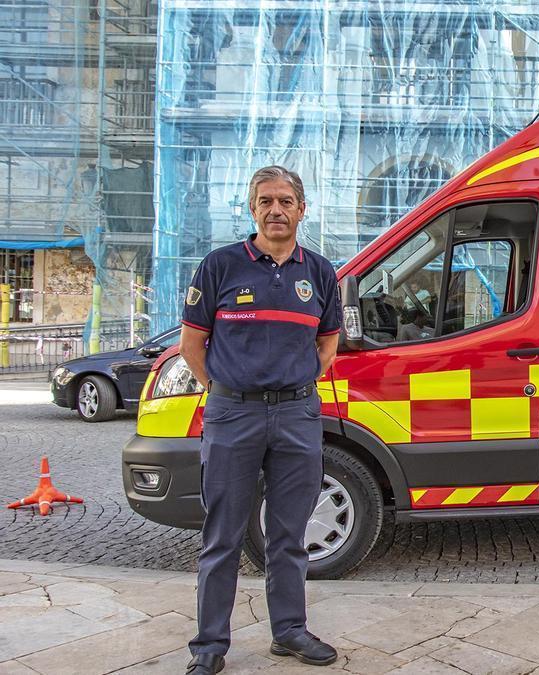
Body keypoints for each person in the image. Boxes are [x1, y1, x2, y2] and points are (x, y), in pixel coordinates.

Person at [179, 165, 342, 675]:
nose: (277, 210)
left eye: (286, 201)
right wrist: (229, 391)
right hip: (234, 414)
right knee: (223, 535)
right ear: (252, 209)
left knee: (289, 533)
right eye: (266, 201)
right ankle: (209, 647)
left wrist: (291, 386)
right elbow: (192, 346)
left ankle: (289, 631)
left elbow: (328, 343)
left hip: (297, 414)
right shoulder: (220, 267)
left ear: (301, 209)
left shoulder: (318, 272)